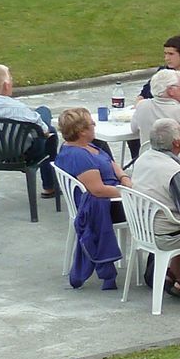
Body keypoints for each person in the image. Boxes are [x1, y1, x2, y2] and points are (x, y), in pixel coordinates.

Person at [126, 117, 180, 302]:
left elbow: (169, 172)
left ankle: (172, 273)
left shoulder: (145, 158)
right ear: (176, 142)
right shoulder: (174, 173)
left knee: (179, 218)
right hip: (167, 235)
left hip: (145, 229)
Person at [55, 107, 127, 288]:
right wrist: (133, 194)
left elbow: (113, 164)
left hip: (114, 193)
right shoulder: (79, 156)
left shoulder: (85, 146)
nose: (95, 125)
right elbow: (98, 190)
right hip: (108, 204)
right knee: (155, 211)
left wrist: (124, 178)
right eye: (91, 123)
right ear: (81, 131)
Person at [0, 63, 60, 197]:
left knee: (41, 118)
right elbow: (43, 130)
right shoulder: (17, 109)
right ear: (6, 85)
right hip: (24, 153)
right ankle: (49, 187)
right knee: (48, 124)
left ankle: (50, 187)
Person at [136, 35, 180, 102]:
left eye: (171, 54)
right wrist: (140, 98)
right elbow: (146, 91)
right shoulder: (163, 71)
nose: (166, 58)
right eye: (165, 54)